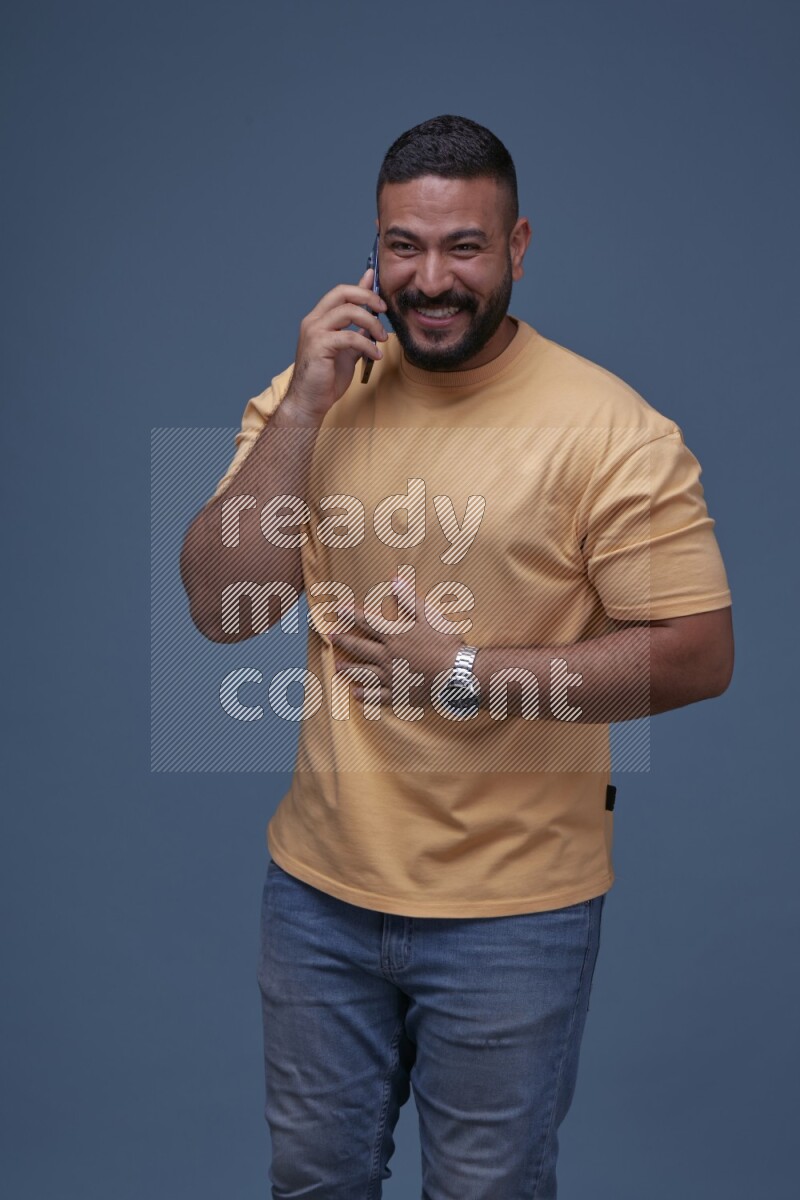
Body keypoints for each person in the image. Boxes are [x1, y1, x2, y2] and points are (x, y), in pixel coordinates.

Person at [180, 115, 733, 1199]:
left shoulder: (612, 431)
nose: (430, 280)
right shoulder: (313, 397)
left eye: (463, 247)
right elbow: (219, 608)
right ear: (373, 250)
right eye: (404, 246)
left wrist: (470, 672)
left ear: (516, 246)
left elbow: (699, 655)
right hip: (317, 896)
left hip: (514, 915)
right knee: (311, 1184)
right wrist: (303, 406)